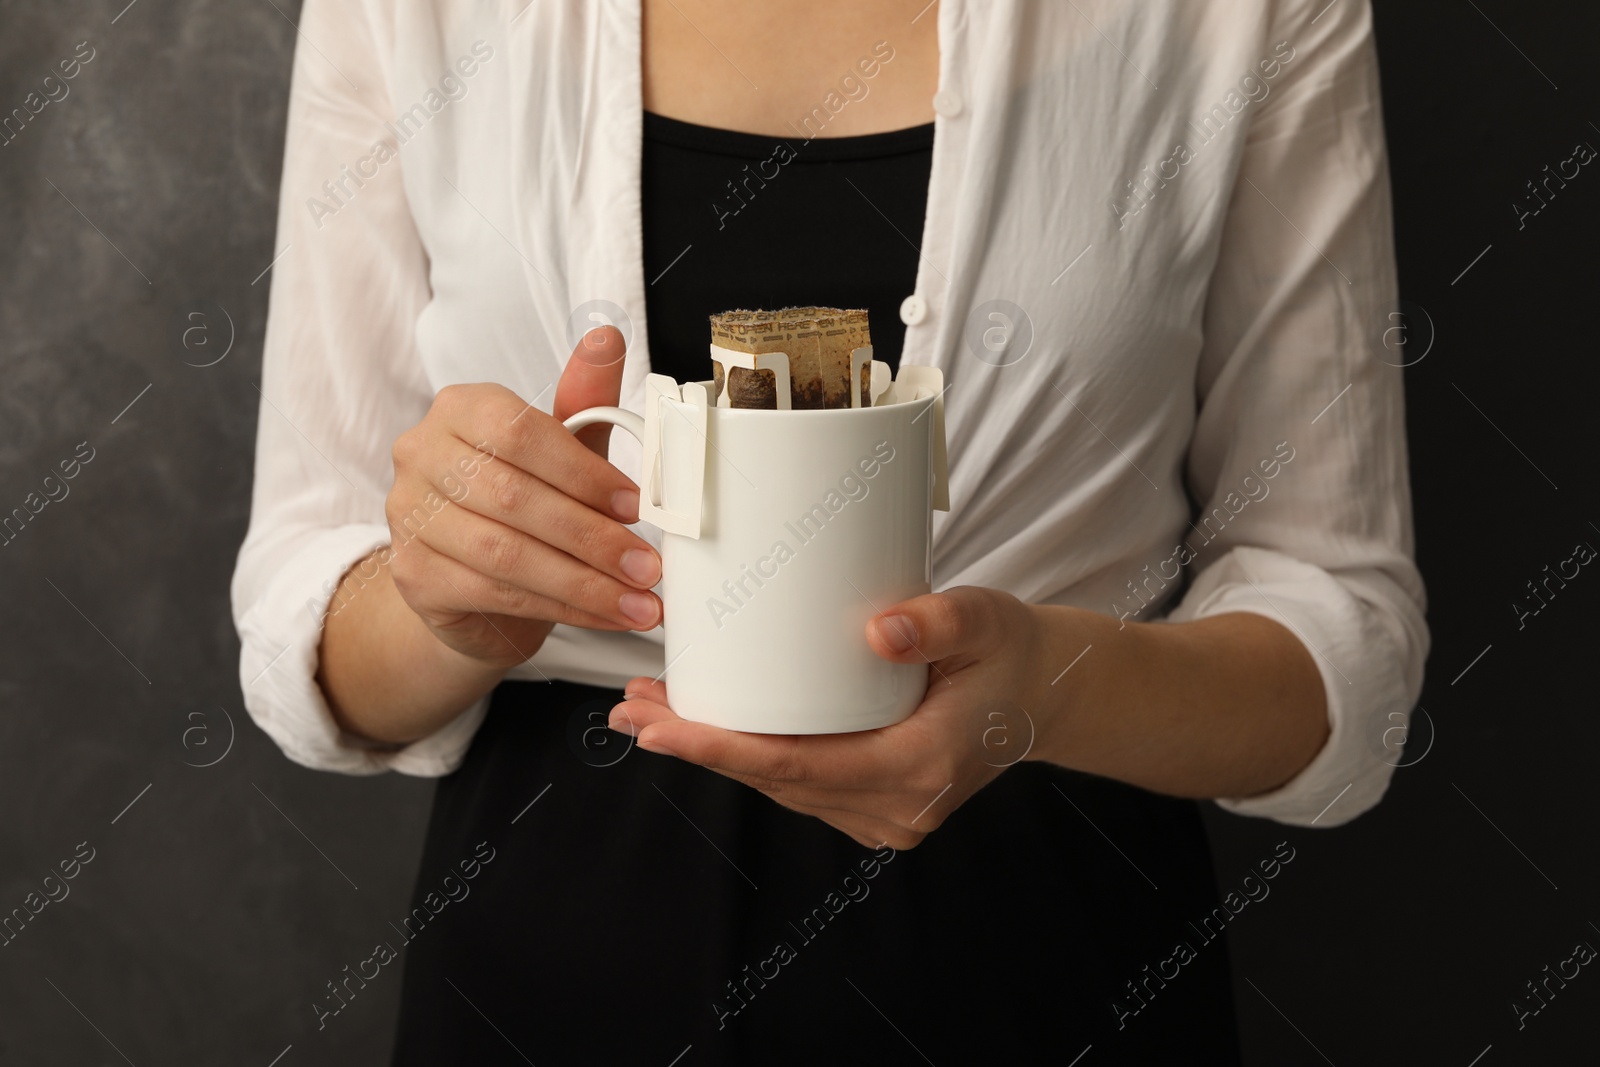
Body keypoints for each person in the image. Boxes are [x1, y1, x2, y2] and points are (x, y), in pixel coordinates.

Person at [231, 0, 1428, 1062]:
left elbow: (1347, 641)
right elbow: (306, 618)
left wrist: (1049, 690)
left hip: (1046, 940)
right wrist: (452, 605)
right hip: (553, 931)